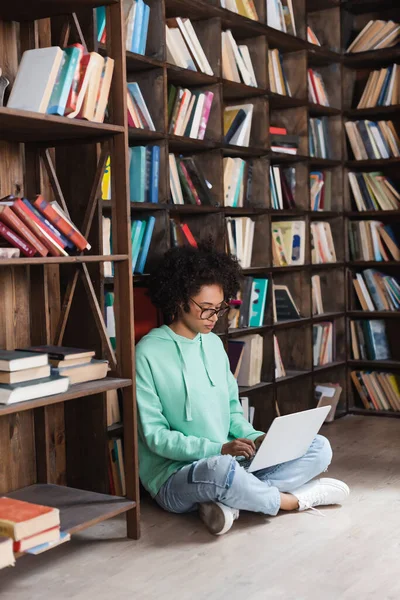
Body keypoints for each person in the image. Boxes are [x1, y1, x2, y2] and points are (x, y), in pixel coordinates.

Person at [135, 242, 350, 535]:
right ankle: (293, 501)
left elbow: (233, 412)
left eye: (220, 308)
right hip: (176, 476)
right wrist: (219, 448)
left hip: (231, 463)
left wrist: (259, 438)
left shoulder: (212, 344)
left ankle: (229, 502)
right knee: (221, 472)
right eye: (206, 309)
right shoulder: (148, 352)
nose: (213, 317)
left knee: (318, 447)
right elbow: (155, 438)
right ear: (179, 299)